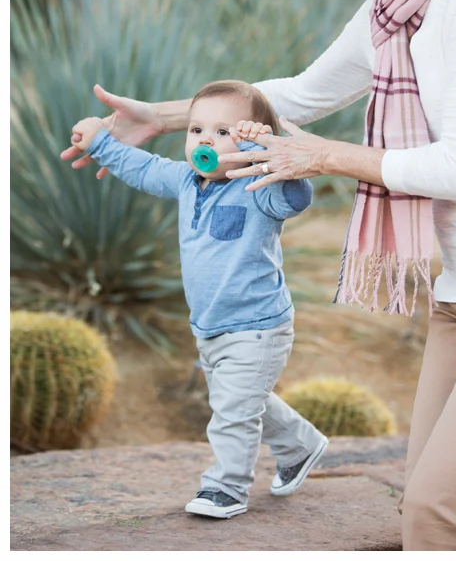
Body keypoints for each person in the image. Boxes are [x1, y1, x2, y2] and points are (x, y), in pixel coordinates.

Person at [60, 0, 456, 551]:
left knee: (440, 514)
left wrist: (323, 158)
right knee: (429, 501)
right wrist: (161, 119)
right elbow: (296, 94)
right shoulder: (392, 8)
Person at [72, 81, 326, 520]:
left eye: (225, 132)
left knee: (232, 409)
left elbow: (294, 196)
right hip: (210, 326)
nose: (205, 141)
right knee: (244, 399)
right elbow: (142, 167)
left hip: (257, 325)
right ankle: (302, 445)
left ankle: (226, 488)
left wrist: (269, 154)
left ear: (251, 141)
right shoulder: (187, 182)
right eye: (196, 130)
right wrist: (99, 142)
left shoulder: (259, 185)